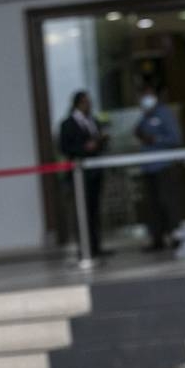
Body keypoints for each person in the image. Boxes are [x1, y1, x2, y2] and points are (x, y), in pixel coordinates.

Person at [58, 90, 111, 257]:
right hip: (79, 175)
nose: (89, 105)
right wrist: (84, 148)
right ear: (78, 104)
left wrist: (101, 142)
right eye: (86, 102)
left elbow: (99, 144)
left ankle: (96, 246)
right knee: (82, 212)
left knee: (95, 211)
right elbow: (64, 148)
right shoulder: (67, 124)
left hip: (94, 173)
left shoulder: (93, 121)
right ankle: (84, 248)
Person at [134, 85, 182, 252]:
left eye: (148, 95)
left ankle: (174, 234)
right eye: (143, 95)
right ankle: (157, 237)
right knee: (152, 204)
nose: (145, 99)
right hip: (149, 167)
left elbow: (175, 138)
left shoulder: (164, 113)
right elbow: (139, 132)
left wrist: (155, 139)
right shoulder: (145, 115)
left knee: (167, 201)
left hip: (163, 166)